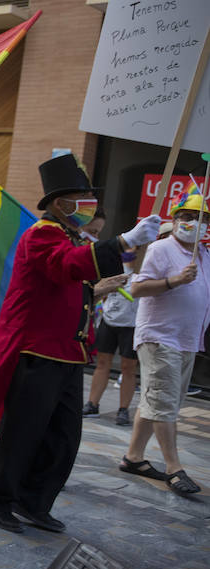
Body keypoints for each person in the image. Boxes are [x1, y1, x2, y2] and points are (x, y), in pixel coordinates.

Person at [0, 153, 161, 532]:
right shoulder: (43, 233)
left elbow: (72, 283)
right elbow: (66, 266)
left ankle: (33, 500)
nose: (90, 205)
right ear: (61, 203)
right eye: (83, 198)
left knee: (63, 436)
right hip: (35, 352)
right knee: (22, 432)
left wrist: (121, 258)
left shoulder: (70, 236)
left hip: (68, 352)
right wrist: (125, 239)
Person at [120, 191, 210, 495]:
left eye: (202, 218)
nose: (194, 223)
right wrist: (175, 281)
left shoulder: (205, 256)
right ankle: (174, 468)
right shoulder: (160, 249)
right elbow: (138, 288)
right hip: (160, 337)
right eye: (188, 216)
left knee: (159, 400)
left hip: (187, 340)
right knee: (166, 403)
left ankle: (133, 457)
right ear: (175, 219)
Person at [85, 216, 138, 426]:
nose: (127, 254)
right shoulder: (110, 266)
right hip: (109, 320)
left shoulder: (143, 272)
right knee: (102, 363)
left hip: (132, 324)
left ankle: (123, 409)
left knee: (128, 367)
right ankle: (92, 404)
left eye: (131, 251)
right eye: (124, 250)